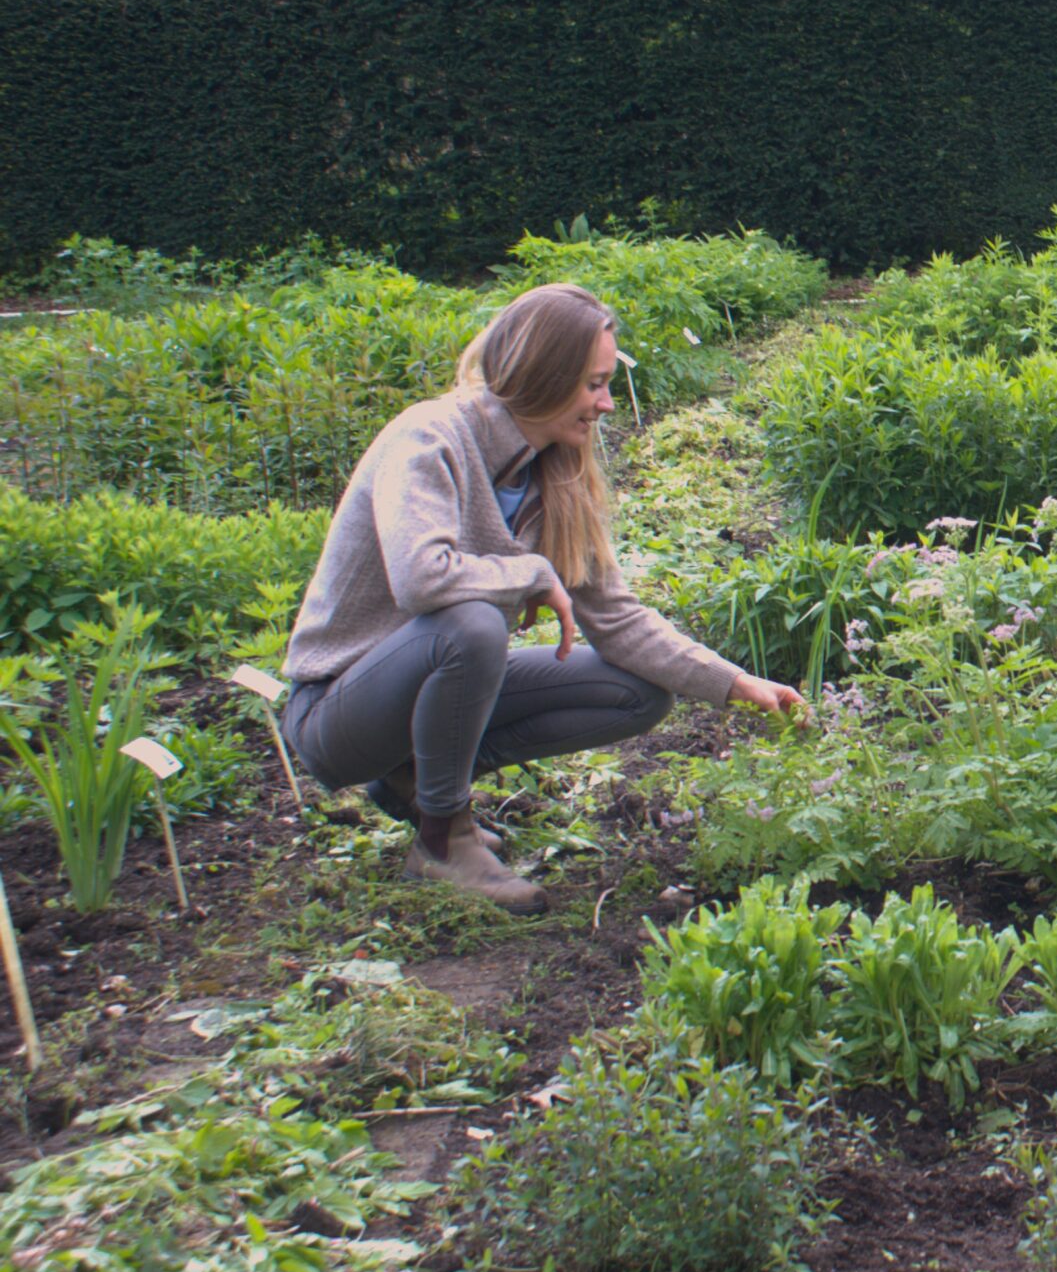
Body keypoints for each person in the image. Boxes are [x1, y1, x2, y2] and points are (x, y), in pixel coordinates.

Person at [281, 283, 803, 913]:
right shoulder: (429, 439)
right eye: (592, 384)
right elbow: (422, 578)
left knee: (634, 692)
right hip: (337, 713)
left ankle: (416, 781)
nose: (607, 403)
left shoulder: (557, 467)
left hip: (420, 695)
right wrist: (529, 572)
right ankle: (444, 837)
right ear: (543, 376)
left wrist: (735, 682)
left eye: (608, 383)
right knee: (472, 625)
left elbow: (616, 617)